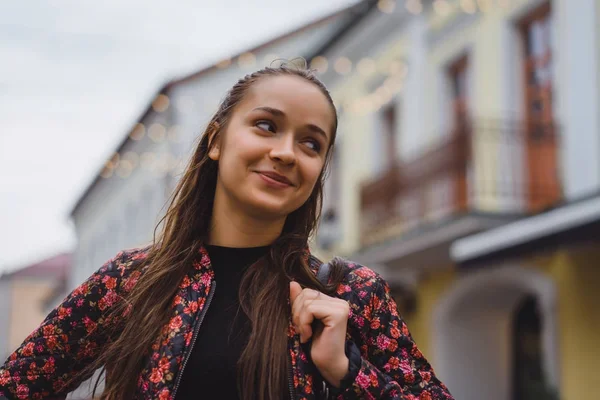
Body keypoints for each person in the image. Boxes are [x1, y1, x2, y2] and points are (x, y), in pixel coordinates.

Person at [0, 63, 454, 400]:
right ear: (217, 140)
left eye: (310, 143)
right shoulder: (132, 281)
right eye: (266, 126)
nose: (285, 152)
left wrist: (345, 369)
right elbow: (16, 386)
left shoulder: (349, 293)